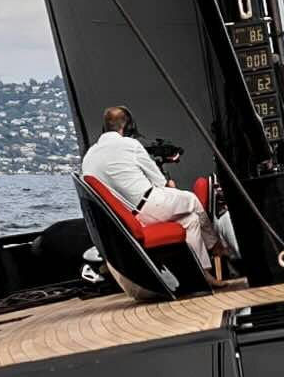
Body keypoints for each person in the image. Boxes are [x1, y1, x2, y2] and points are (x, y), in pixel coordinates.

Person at [78, 103, 230, 277]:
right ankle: (217, 247)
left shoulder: (89, 156)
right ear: (127, 126)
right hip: (149, 205)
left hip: (127, 220)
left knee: (191, 220)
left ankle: (204, 274)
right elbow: (160, 182)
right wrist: (170, 185)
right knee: (192, 200)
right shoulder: (130, 144)